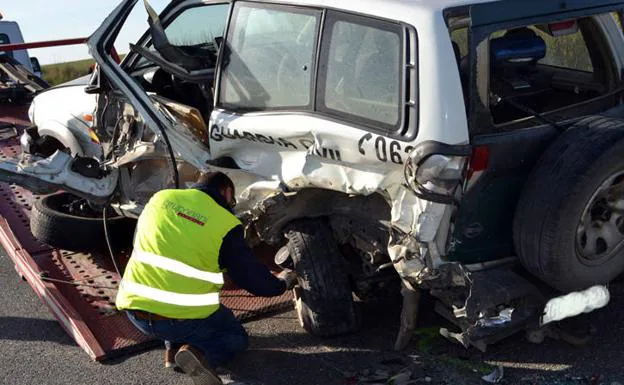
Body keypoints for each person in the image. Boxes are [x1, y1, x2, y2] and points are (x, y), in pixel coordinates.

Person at [115, 172, 297, 385]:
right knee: (234, 337)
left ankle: (172, 351)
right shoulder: (225, 224)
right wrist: (281, 283)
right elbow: (253, 278)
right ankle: (199, 353)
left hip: (135, 312)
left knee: (202, 309)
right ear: (227, 192)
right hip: (181, 318)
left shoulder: (160, 199)